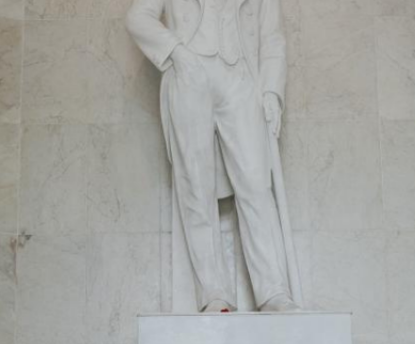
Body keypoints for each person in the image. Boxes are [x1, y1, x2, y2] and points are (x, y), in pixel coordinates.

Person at [125, 0, 300, 313]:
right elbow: (139, 16)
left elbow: (272, 36)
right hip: (189, 74)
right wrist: (178, 53)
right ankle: (214, 293)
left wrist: (272, 90)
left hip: (242, 77)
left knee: (257, 185)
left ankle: (274, 292)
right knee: (196, 186)